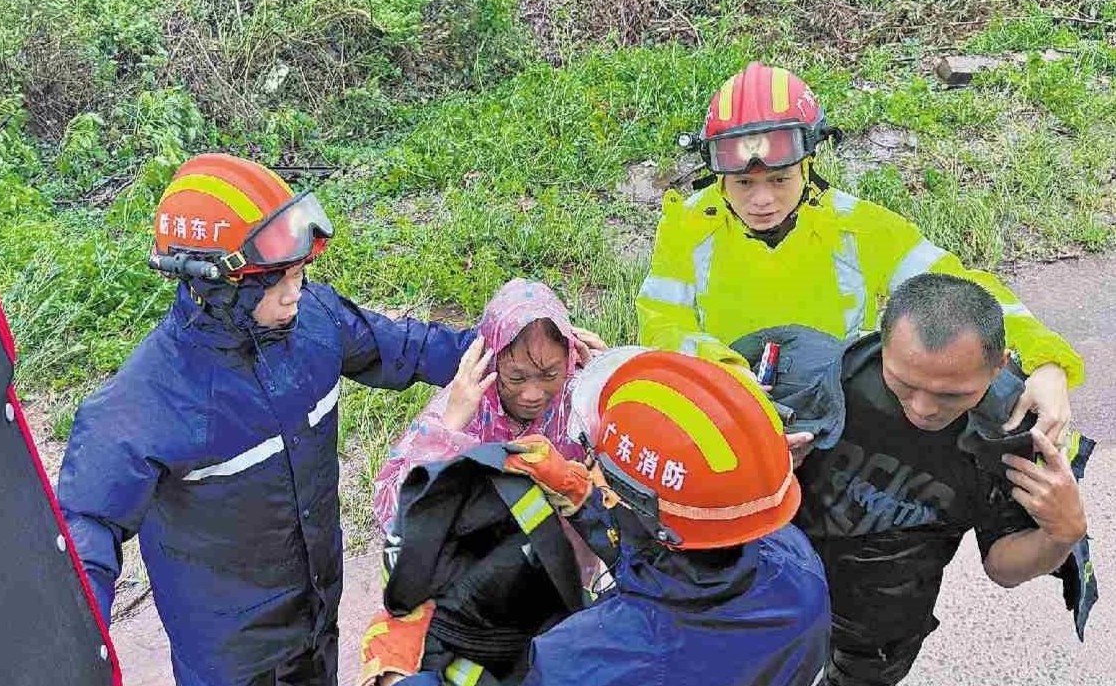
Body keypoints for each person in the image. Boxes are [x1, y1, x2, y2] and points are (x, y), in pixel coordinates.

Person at [56, 154, 475, 686]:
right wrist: (72, 656)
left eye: (299, 273)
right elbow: (83, 534)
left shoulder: (315, 323)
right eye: (278, 280)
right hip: (232, 661)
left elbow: (406, 348)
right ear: (219, 287)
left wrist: (509, 344)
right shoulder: (147, 400)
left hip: (316, 618)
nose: (296, 291)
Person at [636, 61, 1083, 445]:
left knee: (1009, 408)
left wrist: (1047, 362)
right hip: (728, 401)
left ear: (807, 165)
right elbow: (662, 323)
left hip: (838, 408)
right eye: (744, 183)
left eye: (780, 179)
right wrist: (722, 368)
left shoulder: (858, 227)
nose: (762, 200)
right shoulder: (688, 226)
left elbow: (962, 291)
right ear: (719, 176)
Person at [793, 273, 1089, 685]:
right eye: (905, 383)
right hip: (781, 586)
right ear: (883, 340)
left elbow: (1002, 568)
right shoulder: (809, 375)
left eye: (951, 394)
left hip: (881, 626)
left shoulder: (1009, 432)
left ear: (1000, 365)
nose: (923, 408)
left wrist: (1062, 534)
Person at [508, 348, 830, 685]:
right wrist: (586, 500)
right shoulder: (796, 562)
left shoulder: (580, 663)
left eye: (602, 475)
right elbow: (677, 565)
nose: (594, 476)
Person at [372, 277, 606, 534]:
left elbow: (627, 484)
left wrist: (609, 386)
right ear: (489, 361)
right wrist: (449, 429)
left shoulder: (580, 393)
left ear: (570, 358)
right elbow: (398, 516)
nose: (533, 394)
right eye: (516, 378)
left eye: (550, 374)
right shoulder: (465, 405)